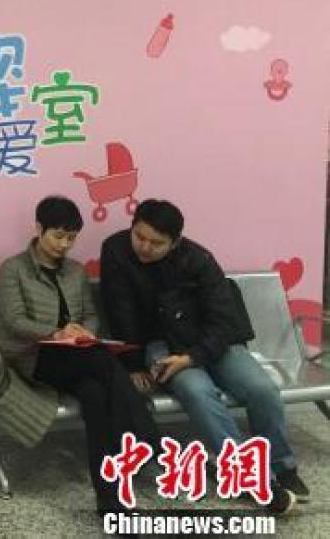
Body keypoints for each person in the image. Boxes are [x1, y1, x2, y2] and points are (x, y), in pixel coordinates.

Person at [100, 199, 309, 514]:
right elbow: (121, 313)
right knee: (197, 390)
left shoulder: (198, 259)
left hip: (211, 340)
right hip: (161, 345)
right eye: (139, 236)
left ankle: (282, 467)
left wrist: (192, 357)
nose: (144, 247)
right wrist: (131, 364)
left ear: (175, 242)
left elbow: (223, 320)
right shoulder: (116, 251)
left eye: (156, 243)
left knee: (262, 389)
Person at [0, 196, 160, 517]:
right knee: (102, 361)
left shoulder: (76, 271)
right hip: (34, 357)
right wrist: (57, 334)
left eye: (71, 238)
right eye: (58, 236)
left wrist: (85, 333)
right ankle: (146, 434)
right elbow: (14, 321)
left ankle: (110, 502)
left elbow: (91, 314)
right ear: (39, 229)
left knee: (95, 395)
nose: (64, 245)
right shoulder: (13, 269)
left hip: (76, 357)